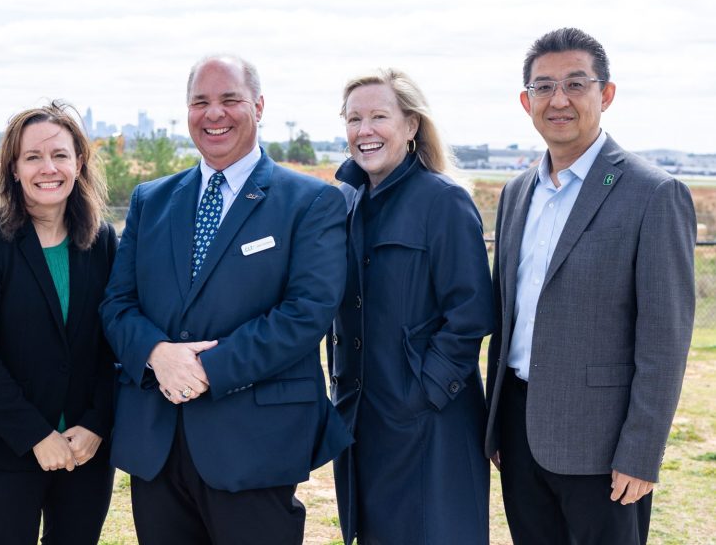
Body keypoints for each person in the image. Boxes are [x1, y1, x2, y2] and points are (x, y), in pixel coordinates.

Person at [100, 54, 351, 545]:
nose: (214, 114)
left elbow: (306, 314)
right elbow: (117, 304)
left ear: (258, 106)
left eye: (229, 100)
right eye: (201, 102)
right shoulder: (151, 200)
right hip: (158, 441)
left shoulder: (311, 202)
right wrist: (156, 355)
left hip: (255, 444)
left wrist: (203, 370)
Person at [485, 27, 696, 544]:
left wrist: (641, 452)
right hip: (518, 429)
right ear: (525, 101)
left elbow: (665, 340)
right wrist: (496, 423)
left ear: (605, 95)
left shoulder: (653, 194)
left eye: (575, 84)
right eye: (543, 87)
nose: (559, 100)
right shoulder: (516, 193)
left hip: (602, 448)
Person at [329, 69, 493, 544]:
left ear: (411, 126)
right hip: (361, 421)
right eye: (354, 118)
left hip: (430, 425)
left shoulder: (444, 202)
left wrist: (422, 395)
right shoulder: (345, 201)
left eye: (380, 116)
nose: (365, 130)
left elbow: (471, 313)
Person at [0, 101, 117, 544]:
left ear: (79, 163)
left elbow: (113, 343)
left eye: (60, 155)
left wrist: (97, 424)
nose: (49, 168)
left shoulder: (102, 241)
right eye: (33, 157)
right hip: (8, 446)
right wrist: (36, 435)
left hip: (87, 448)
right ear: (14, 168)